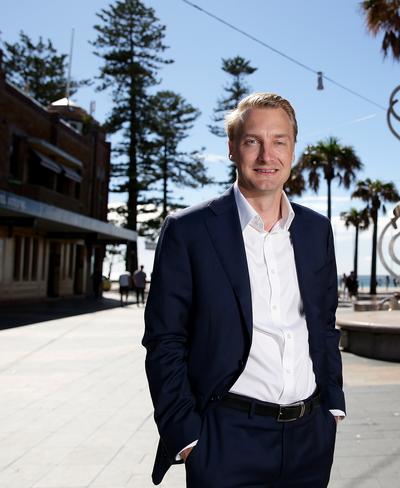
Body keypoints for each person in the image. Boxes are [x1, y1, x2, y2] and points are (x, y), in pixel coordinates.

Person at [142, 93, 344, 487]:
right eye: (253, 141)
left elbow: (324, 324)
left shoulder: (316, 231)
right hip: (226, 439)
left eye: (279, 141)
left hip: (309, 440)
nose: (267, 155)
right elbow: (165, 338)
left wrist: (333, 404)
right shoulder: (189, 230)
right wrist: (186, 435)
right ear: (233, 149)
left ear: (293, 148)